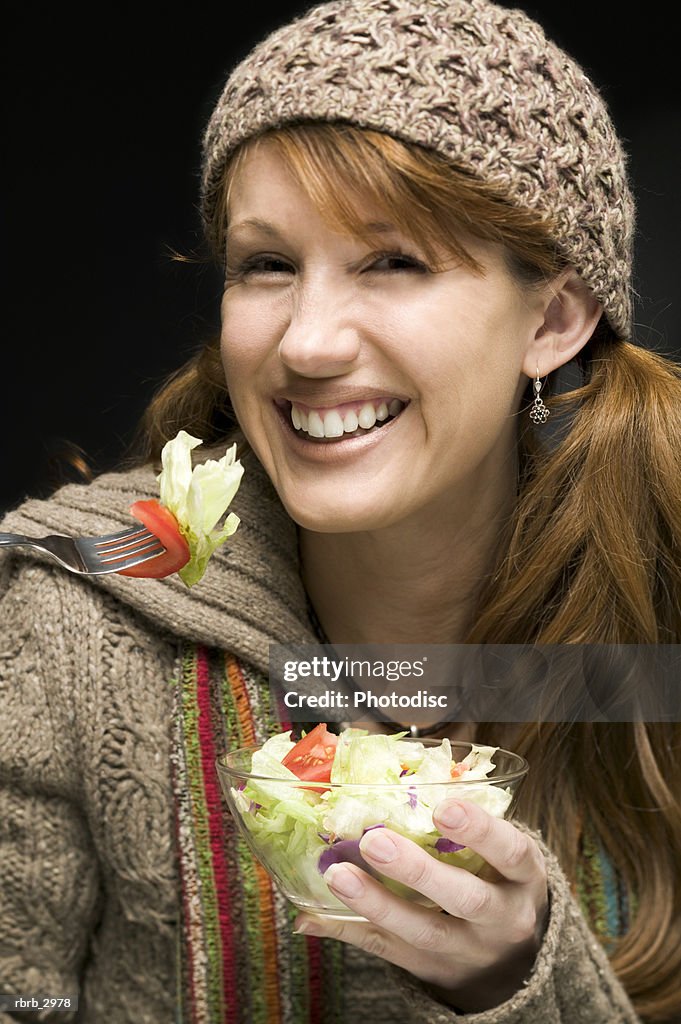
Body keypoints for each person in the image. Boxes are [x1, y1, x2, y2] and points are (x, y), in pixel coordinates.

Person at [1, 0, 680, 1021]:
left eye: (393, 261)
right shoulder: (73, 623)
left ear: (553, 320)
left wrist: (522, 981)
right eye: (267, 264)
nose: (309, 343)